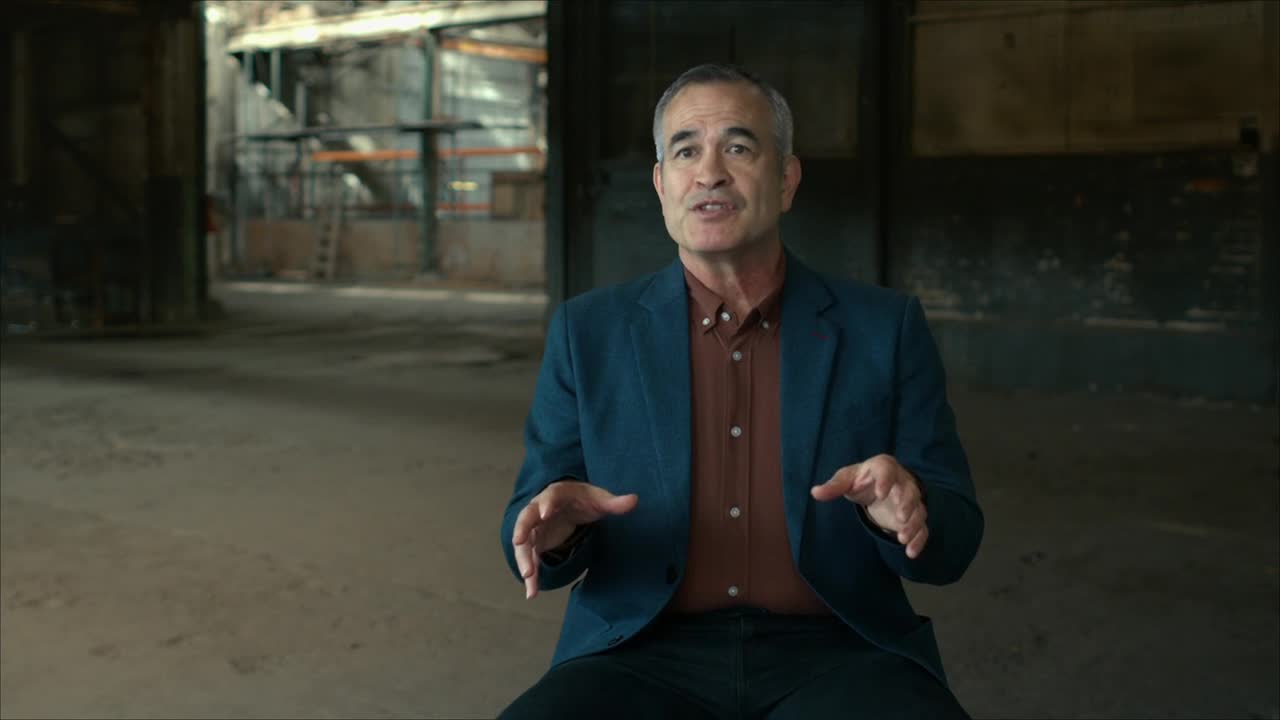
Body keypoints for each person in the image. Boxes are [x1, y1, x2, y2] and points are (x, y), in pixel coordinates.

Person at [499, 63, 983, 720]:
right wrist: (555, 536)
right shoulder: (588, 332)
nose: (709, 173)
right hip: (637, 651)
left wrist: (907, 511)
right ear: (661, 185)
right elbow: (526, 536)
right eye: (685, 151)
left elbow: (956, 542)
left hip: (840, 651)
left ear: (786, 180)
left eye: (738, 147)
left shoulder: (883, 328)